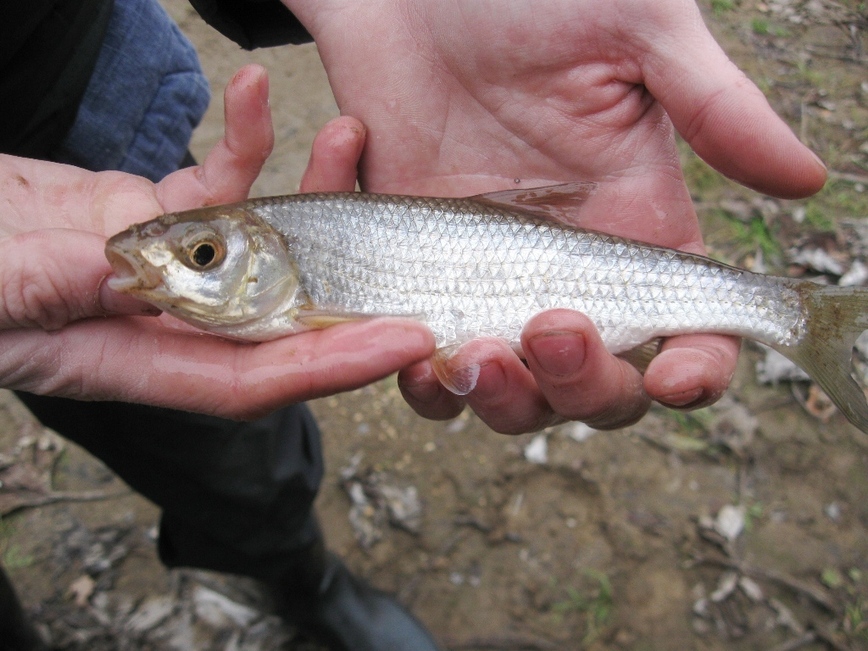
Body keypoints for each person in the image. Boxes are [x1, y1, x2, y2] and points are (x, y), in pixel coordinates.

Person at [0, 0, 826, 649]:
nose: (184, 269)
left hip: (72, 77)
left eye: (204, 253)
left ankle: (298, 573)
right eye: (206, 254)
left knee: (218, 451)